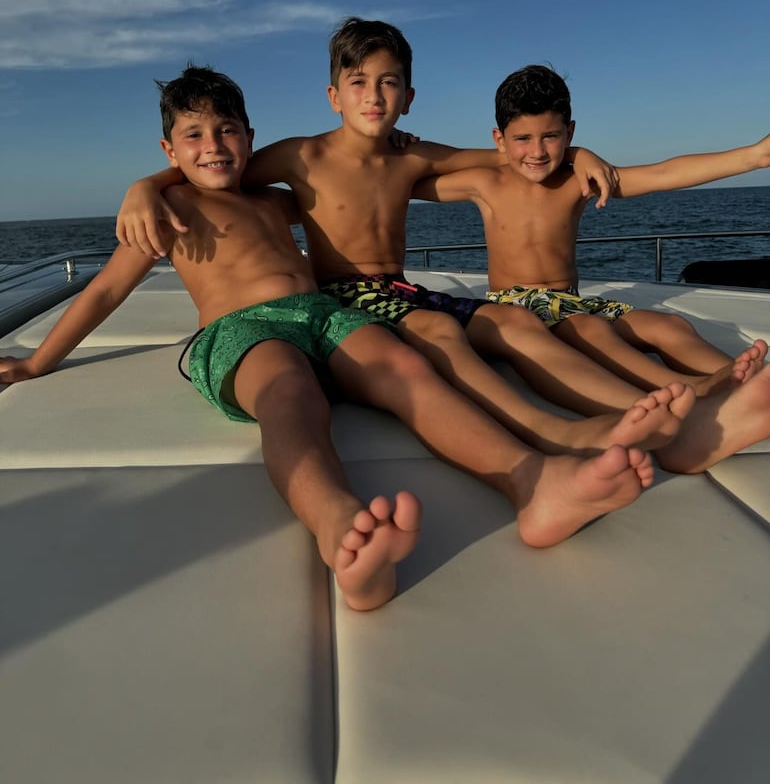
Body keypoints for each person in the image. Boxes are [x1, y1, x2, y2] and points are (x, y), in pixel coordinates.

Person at [2, 65, 692, 611]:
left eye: (228, 130)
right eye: (193, 135)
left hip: (326, 315)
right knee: (290, 396)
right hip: (243, 332)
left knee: (408, 369)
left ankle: (533, 483)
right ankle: (341, 533)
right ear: (168, 149)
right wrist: (37, 359)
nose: (213, 146)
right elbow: (104, 289)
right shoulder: (171, 207)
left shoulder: (276, 198)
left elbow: (475, 161)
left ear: (249, 134)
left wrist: (582, 151)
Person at [115, 23, 770, 473]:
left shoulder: (415, 157)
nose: (375, 96)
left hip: (399, 289)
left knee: (522, 319)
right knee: (460, 330)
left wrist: (581, 151)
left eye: (389, 82)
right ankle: (596, 426)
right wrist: (145, 185)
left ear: (408, 94)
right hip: (349, 298)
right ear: (333, 93)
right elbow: (216, 171)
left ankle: (671, 406)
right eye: (361, 82)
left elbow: (508, 155)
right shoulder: (298, 155)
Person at [413, 63, 770, 392]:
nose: (537, 151)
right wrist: (395, 147)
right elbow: (402, 183)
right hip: (516, 307)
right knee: (589, 328)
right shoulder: (485, 183)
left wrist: (754, 156)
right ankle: (686, 388)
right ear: (499, 140)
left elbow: (663, 174)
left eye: (550, 136)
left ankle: (751, 381)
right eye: (523, 139)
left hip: (570, 302)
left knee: (669, 326)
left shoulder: (578, 181)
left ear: (569, 133)